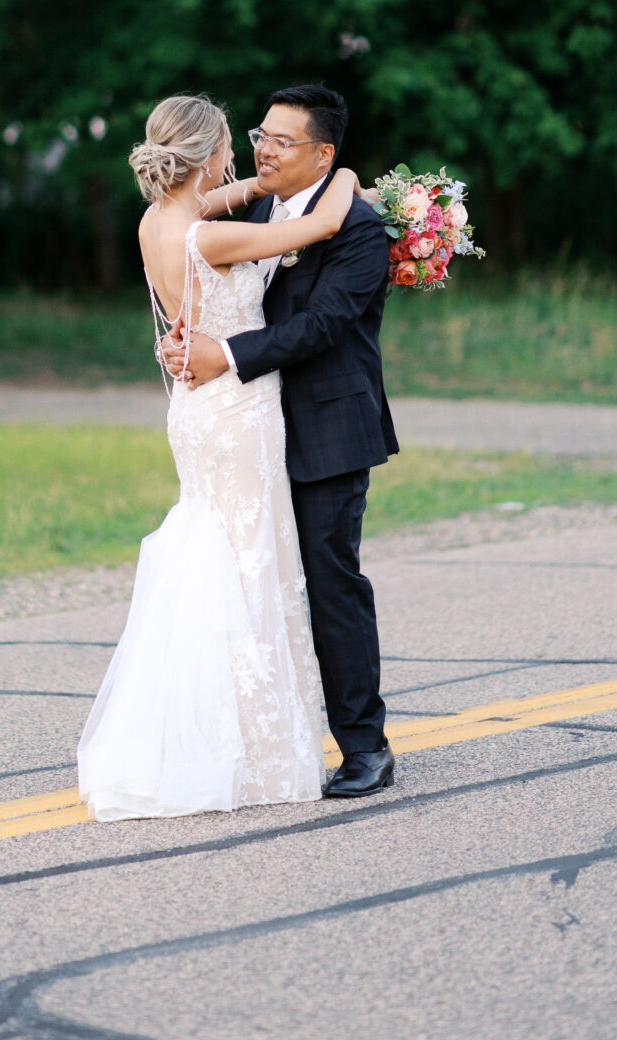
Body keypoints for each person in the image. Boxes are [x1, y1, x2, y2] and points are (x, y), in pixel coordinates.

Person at [76, 93, 360, 821]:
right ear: (206, 155)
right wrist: (352, 178)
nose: (243, 154)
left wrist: (261, 184)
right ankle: (248, 749)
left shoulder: (158, 221)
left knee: (216, 555)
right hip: (237, 410)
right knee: (251, 565)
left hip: (197, 409)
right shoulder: (210, 239)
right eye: (235, 144)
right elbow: (320, 224)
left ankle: (200, 736)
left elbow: (233, 197)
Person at [166, 84, 398, 798]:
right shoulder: (256, 207)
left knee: (329, 585)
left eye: (279, 140)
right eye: (259, 135)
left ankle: (365, 746)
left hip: (327, 426)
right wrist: (181, 339)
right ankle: (267, 740)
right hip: (248, 429)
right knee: (254, 581)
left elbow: (323, 325)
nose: (262, 149)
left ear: (322, 154)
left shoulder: (358, 229)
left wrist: (225, 356)